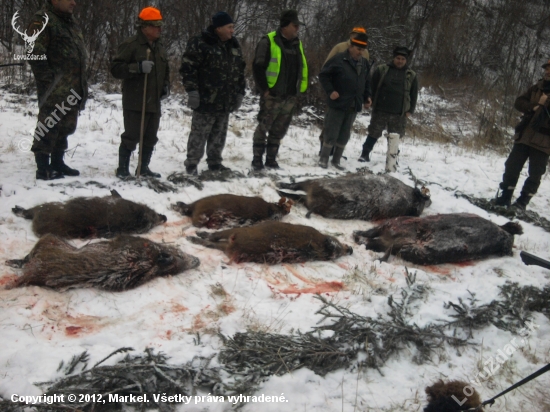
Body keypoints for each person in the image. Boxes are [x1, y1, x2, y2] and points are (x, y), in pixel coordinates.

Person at [27, 0, 88, 180]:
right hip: (54, 88)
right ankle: (43, 166)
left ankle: (57, 162)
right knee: (49, 124)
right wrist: (48, 82)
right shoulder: (43, 20)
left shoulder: (69, 22)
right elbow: (33, 52)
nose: (74, 3)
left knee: (66, 126)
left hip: (73, 86)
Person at [180, 11, 245, 175]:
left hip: (225, 101)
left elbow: (240, 72)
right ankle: (192, 164)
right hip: (205, 100)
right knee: (199, 134)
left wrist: (240, 93)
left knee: (219, 134)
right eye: (229, 27)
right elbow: (188, 68)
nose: (232, 31)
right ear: (219, 28)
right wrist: (192, 91)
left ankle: (215, 163)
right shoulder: (200, 43)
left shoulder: (234, 46)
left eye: (233, 27)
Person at [111, 6, 170, 178]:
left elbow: (165, 69)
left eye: (160, 26)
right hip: (136, 99)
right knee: (132, 135)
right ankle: (122, 169)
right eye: (155, 26)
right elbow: (115, 69)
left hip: (154, 101)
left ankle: (143, 168)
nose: (159, 29)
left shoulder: (159, 46)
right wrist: (136, 68)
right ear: (144, 27)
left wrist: (165, 85)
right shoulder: (131, 45)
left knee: (150, 136)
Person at [251, 9, 308, 171]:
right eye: (294, 25)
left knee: (279, 130)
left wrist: (299, 92)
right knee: (263, 127)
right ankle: (257, 159)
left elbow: (302, 68)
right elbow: (257, 67)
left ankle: (271, 160)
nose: (297, 29)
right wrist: (264, 90)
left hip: (290, 96)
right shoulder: (268, 41)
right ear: (285, 26)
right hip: (272, 95)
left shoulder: (297, 44)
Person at [494, 59, 550, 210]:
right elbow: (519, 102)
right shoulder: (537, 87)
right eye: (547, 69)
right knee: (512, 166)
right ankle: (505, 196)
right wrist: (535, 106)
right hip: (524, 136)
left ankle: (522, 203)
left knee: (535, 174)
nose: (547, 72)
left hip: (544, 141)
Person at [318, 32, 371, 169]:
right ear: (351, 47)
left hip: (354, 104)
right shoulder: (339, 59)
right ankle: (323, 158)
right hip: (338, 103)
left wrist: (367, 97)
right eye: (359, 49)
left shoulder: (364, 63)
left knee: (344, 134)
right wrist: (330, 91)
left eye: (363, 50)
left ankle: (336, 160)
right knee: (331, 131)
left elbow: (366, 81)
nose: (361, 52)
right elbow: (324, 75)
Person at [359, 46, 418, 169]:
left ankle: (393, 158)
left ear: (406, 60)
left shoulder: (411, 75)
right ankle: (365, 154)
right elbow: (372, 87)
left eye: (402, 59)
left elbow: (413, 94)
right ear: (393, 58)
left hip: (399, 113)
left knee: (395, 137)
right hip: (380, 109)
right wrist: (368, 99)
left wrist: (410, 111)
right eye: (398, 58)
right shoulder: (382, 70)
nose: (400, 61)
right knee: (373, 133)